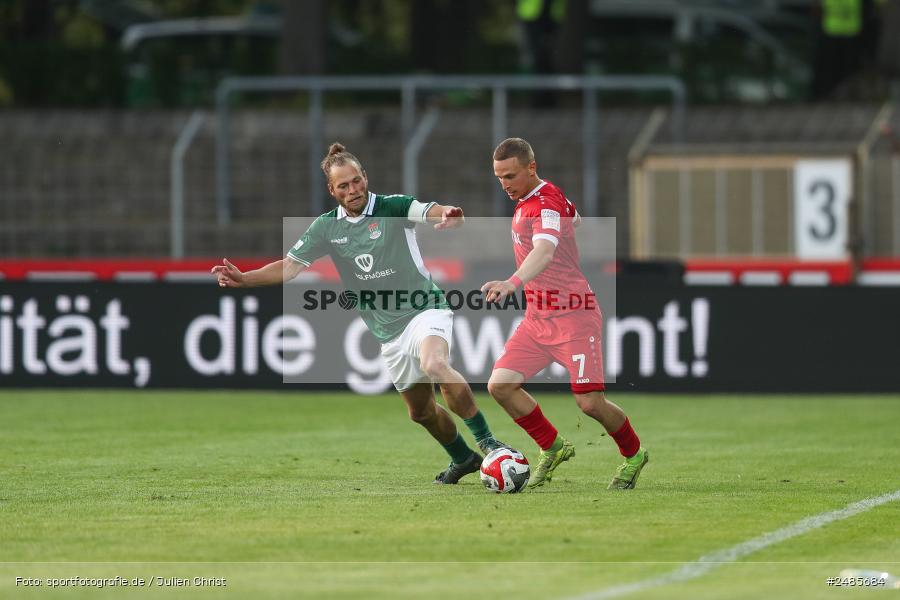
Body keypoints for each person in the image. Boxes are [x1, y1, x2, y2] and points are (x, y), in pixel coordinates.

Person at [212, 142, 505, 485]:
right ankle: (462, 458)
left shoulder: (392, 207)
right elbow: (290, 267)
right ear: (331, 190)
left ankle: (489, 445)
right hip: (388, 332)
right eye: (343, 186)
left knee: (435, 364)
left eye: (356, 181)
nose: (353, 190)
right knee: (420, 412)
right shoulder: (326, 228)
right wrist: (245, 279)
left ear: (365, 177)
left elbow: (429, 211)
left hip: (425, 310)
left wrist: (449, 215)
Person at [481, 137, 648, 490]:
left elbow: (543, 250)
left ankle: (633, 454)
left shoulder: (545, 206)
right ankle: (553, 447)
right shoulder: (544, 199)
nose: (505, 185)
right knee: (501, 386)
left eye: (510, 176)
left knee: (589, 403)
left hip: (574, 316)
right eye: (499, 178)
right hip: (538, 319)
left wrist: (513, 282)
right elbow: (577, 217)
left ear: (531, 168)